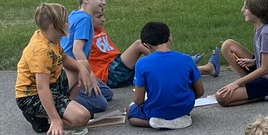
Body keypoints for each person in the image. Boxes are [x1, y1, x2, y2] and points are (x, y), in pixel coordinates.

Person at [14, 2, 92, 135]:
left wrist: (82, 69)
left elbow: (65, 58)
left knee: (83, 66)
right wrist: (55, 119)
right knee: (83, 117)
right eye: (66, 21)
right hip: (32, 97)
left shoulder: (52, 37)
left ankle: (64, 109)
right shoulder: (41, 51)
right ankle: (48, 121)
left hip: (54, 86)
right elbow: (42, 87)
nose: (69, 23)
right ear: (53, 26)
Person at [90, 7, 219, 88]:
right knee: (139, 45)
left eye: (103, 15)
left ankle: (208, 69)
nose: (104, 19)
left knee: (154, 68)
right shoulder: (85, 35)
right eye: (99, 16)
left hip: (115, 67)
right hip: (109, 74)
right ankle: (174, 60)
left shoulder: (99, 29)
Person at [126, 21, 205, 129]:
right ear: (170, 37)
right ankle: (177, 118)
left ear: (146, 45)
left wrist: (131, 107)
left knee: (132, 114)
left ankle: (154, 122)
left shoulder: (142, 63)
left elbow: (139, 100)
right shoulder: (187, 59)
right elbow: (200, 92)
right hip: (184, 108)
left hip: (155, 111)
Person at [217, 0, 268, 105]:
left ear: (258, 11)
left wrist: (236, 83)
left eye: (246, 7)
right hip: (264, 71)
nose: (242, 10)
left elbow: (265, 69)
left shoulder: (266, 33)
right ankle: (249, 86)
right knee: (228, 45)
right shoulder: (260, 28)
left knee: (222, 98)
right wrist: (254, 61)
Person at [60, 0, 114, 113]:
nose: (104, 2)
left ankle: (76, 90)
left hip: (70, 67)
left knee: (107, 93)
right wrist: (89, 74)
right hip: (71, 70)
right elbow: (77, 50)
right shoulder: (85, 19)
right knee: (100, 104)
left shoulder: (75, 14)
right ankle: (61, 99)